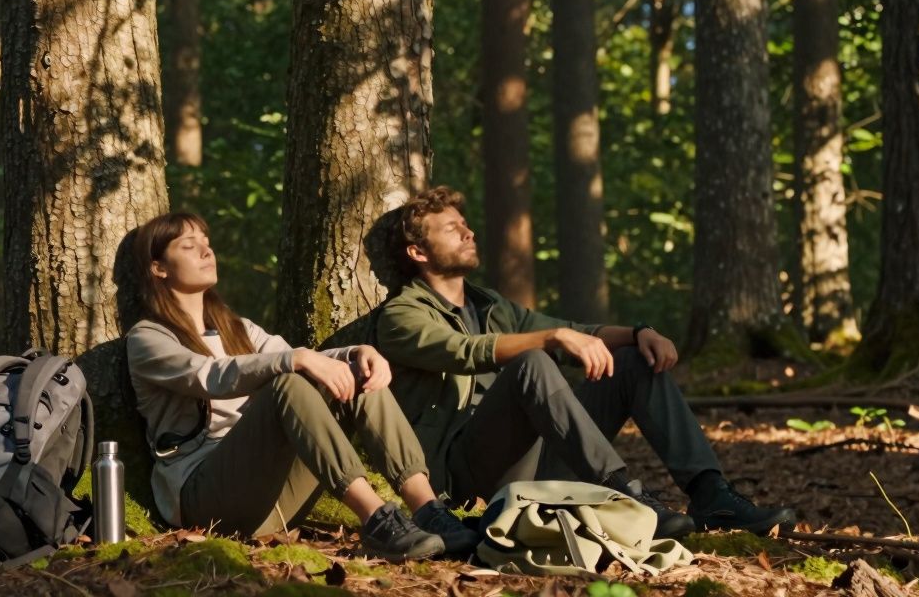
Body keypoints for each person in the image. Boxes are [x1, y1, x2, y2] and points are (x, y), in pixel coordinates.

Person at [374, 187, 796, 539]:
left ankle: (711, 495)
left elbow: (575, 329)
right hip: (472, 476)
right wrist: (551, 339)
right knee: (532, 361)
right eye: (452, 229)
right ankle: (624, 494)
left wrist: (638, 332)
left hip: (541, 456)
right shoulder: (402, 316)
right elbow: (465, 352)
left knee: (632, 360)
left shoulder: (489, 305)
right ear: (418, 252)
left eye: (465, 225)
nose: (468, 233)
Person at [126, 212, 481, 560]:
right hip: (204, 502)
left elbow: (304, 357)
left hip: (271, 506)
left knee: (353, 373)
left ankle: (427, 508)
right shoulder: (148, 338)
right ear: (159, 267)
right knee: (288, 383)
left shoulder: (238, 328)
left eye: (207, 243)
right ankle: (376, 520)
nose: (207, 252)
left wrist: (358, 352)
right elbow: (209, 376)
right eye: (190, 246)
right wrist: (297, 359)